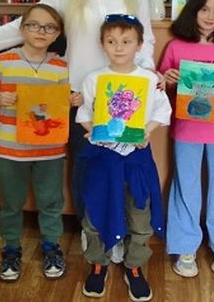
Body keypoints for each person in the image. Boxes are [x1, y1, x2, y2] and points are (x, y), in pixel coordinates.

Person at [0, 0, 156, 223]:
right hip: (77, 95)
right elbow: (28, 25)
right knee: (85, 167)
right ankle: (90, 233)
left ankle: (119, 233)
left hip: (123, 97)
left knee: (122, 168)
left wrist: (147, 72)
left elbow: (146, 39)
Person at [76, 15, 171, 301]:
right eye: (111, 41)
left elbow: (161, 111)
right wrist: (94, 131)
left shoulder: (149, 79)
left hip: (136, 157)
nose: (118, 47)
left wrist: (146, 132)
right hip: (103, 158)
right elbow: (85, 114)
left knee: (139, 214)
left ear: (139, 45)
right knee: (96, 211)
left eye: (126, 41)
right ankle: (98, 263)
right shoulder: (94, 79)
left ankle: (134, 266)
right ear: (102, 44)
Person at [158, 0, 214, 277]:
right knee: (186, 186)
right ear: (193, 9)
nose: (210, 16)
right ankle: (185, 247)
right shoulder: (175, 46)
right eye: (205, 9)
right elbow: (161, 84)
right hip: (186, 129)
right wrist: (167, 79)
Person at [0, 4, 75, 282]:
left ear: (57, 34)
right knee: (11, 203)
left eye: (49, 27)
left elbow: (62, 103)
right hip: (11, 149)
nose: (41, 31)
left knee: (51, 202)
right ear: (22, 29)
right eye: (34, 25)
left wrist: (73, 100)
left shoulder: (61, 66)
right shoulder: (2, 61)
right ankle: (11, 249)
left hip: (50, 151)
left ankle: (51, 247)